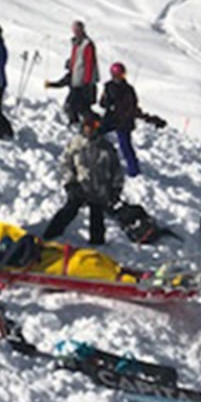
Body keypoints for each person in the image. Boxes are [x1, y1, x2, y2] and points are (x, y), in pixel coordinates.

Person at [42, 113, 123, 245]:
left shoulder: (107, 147)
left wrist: (116, 189)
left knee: (97, 217)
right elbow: (66, 164)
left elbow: (117, 170)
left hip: (99, 189)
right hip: (80, 186)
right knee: (69, 210)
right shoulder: (76, 144)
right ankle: (50, 235)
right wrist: (70, 183)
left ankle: (97, 245)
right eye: (88, 125)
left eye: (95, 125)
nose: (90, 129)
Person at [45, 20, 99, 126]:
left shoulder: (87, 44)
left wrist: (87, 81)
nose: (76, 32)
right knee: (73, 105)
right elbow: (76, 59)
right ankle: (77, 123)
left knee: (80, 106)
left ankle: (94, 123)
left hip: (83, 81)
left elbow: (89, 63)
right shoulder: (76, 43)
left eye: (78, 30)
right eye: (74, 30)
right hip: (76, 79)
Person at [99, 62, 143, 177]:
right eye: (118, 75)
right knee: (97, 136)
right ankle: (101, 161)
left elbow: (132, 105)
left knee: (125, 145)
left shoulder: (127, 89)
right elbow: (102, 103)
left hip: (123, 120)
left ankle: (134, 170)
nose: (119, 77)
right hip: (113, 118)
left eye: (121, 75)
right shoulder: (110, 87)